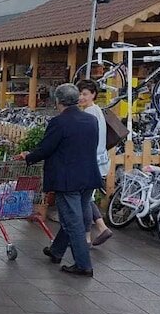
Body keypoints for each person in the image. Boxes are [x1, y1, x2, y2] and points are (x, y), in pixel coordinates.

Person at [15, 83, 103, 277]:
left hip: (67, 179)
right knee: (74, 216)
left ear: (58, 101)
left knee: (73, 221)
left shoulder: (59, 122)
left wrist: (28, 156)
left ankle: (83, 264)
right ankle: (56, 251)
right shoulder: (91, 120)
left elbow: (46, 148)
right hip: (88, 175)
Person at [77, 79, 114, 246]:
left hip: (90, 162)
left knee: (84, 200)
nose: (81, 97)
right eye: (79, 94)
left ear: (93, 95)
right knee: (88, 198)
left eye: (85, 94)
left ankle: (86, 237)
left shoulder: (89, 113)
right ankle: (102, 227)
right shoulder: (97, 110)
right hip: (100, 161)